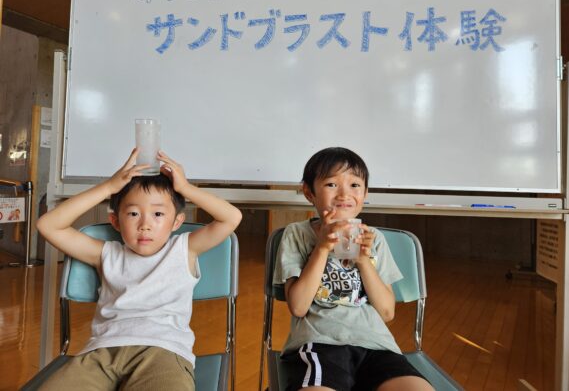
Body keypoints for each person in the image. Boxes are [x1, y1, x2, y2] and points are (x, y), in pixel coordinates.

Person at [36, 149, 242, 391]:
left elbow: (231, 217)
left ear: (176, 221)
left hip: (163, 352)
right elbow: (48, 225)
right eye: (133, 213)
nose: (145, 225)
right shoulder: (106, 254)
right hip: (102, 353)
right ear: (116, 221)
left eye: (158, 214)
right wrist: (108, 187)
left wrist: (185, 188)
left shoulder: (184, 249)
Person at [273, 147, 434, 391]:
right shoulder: (296, 234)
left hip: (377, 346)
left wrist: (363, 260)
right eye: (331, 184)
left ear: (365, 193)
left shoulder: (375, 240)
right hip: (319, 343)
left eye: (355, 185)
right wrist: (322, 248)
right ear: (309, 192)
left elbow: (387, 312)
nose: (344, 194)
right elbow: (298, 306)